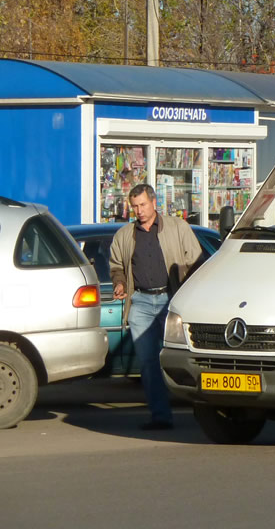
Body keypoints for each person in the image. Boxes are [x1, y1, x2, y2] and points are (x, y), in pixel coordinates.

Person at [109, 183, 202, 430]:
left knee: (183, 359)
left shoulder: (177, 228)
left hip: (171, 303)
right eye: (134, 206)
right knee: (148, 363)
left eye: (142, 205)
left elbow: (197, 262)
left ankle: (202, 409)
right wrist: (119, 283)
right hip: (139, 302)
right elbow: (116, 264)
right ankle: (161, 415)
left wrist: (188, 289)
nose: (138, 211)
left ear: (153, 203)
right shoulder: (125, 235)